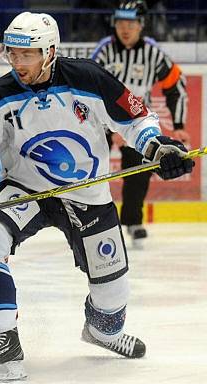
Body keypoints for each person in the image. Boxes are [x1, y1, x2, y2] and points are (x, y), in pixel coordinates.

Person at [0, 11, 194, 381]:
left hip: (87, 191)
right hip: (25, 189)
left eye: (26, 54)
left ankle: (102, 330)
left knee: (112, 295)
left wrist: (158, 148)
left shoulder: (88, 78)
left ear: (49, 52)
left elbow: (136, 118)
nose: (18, 63)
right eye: (12, 54)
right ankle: (4, 341)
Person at [92, 0, 190, 248]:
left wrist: (178, 124)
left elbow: (176, 85)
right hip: (100, 120)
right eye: (121, 23)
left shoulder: (153, 53)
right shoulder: (104, 51)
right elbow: (89, 88)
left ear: (141, 25)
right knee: (92, 170)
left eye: (131, 23)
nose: (125, 28)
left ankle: (133, 221)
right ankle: (90, 222)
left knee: (139, 172)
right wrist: (108, 127)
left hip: (136, 121)